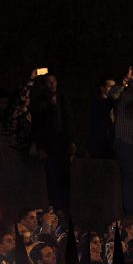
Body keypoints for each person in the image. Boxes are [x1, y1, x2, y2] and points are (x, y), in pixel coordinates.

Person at [29, 73, 75, 211]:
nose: (52, 84)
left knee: (64, 178)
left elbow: (69, 120)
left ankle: (64, 209)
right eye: (49, 82)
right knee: (52, 177)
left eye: (54, 81)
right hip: (49, 145)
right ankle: (54, 207)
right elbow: (38, 126)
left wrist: (71, 141)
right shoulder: (40, 102)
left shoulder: (62, 98)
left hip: (62, 143)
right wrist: (41, 147)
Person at [110, 67, 133, 216]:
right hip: (126, 141)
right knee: (129, 177)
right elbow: (112, 94)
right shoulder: (123, 94)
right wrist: (125, 79)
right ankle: (130, 213)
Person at [85, 77, 115, 159]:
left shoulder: (114, 104)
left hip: (111, 142)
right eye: (110, 87)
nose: (113, 90)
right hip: (100, 143)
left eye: (114, 87)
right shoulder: (97, 102)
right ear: (102, 88)